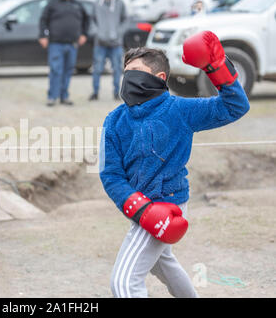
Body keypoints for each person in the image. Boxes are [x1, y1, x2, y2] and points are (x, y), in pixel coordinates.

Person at [99, 32, 250, 298]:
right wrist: (139, 208)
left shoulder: (180, 110)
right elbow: (111, 174)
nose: (128, 78)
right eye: (126, 72)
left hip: (169, 204)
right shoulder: (114, 120)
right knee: (162, 263)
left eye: (135, 71)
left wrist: (217, 67)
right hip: (143, 209)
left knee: (123, 283)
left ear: (158, 78)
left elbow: (235, 106)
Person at [39, 0, 90, 107]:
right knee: (56, 69)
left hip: (72, 44)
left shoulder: (78, 5)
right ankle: (52, 97)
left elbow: (87, 20)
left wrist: (84, 34)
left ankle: (64, 96)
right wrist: (43, 36)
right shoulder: (52, 4)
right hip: (55, 44)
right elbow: (43, 20)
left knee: (68, 70)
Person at [89, 0, 127, 101]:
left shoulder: (120, 3)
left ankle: (116, 93)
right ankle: (95, 92)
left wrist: (118, 33)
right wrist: (97, 33)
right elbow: (92, 20)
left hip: (116, 44)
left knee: (117, 69)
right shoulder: (96, 3)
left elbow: (125, 20)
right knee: (97, 69)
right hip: (100, 44)